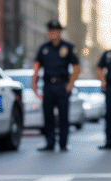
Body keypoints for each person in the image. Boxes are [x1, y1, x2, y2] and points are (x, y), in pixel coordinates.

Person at [32, 20, 80, 152]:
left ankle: (63, 143)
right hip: (48, 86)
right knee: (48, 116)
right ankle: (50, 142)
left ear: (60, 32)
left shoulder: (68, 47)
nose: (52, 34)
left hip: (62, 85)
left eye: (55, 31)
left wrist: (70, 85)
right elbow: (36, 67)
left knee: (63, 116)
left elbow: (76, 67)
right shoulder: (44, 48)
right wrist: (34, 85)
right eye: (50, 31)